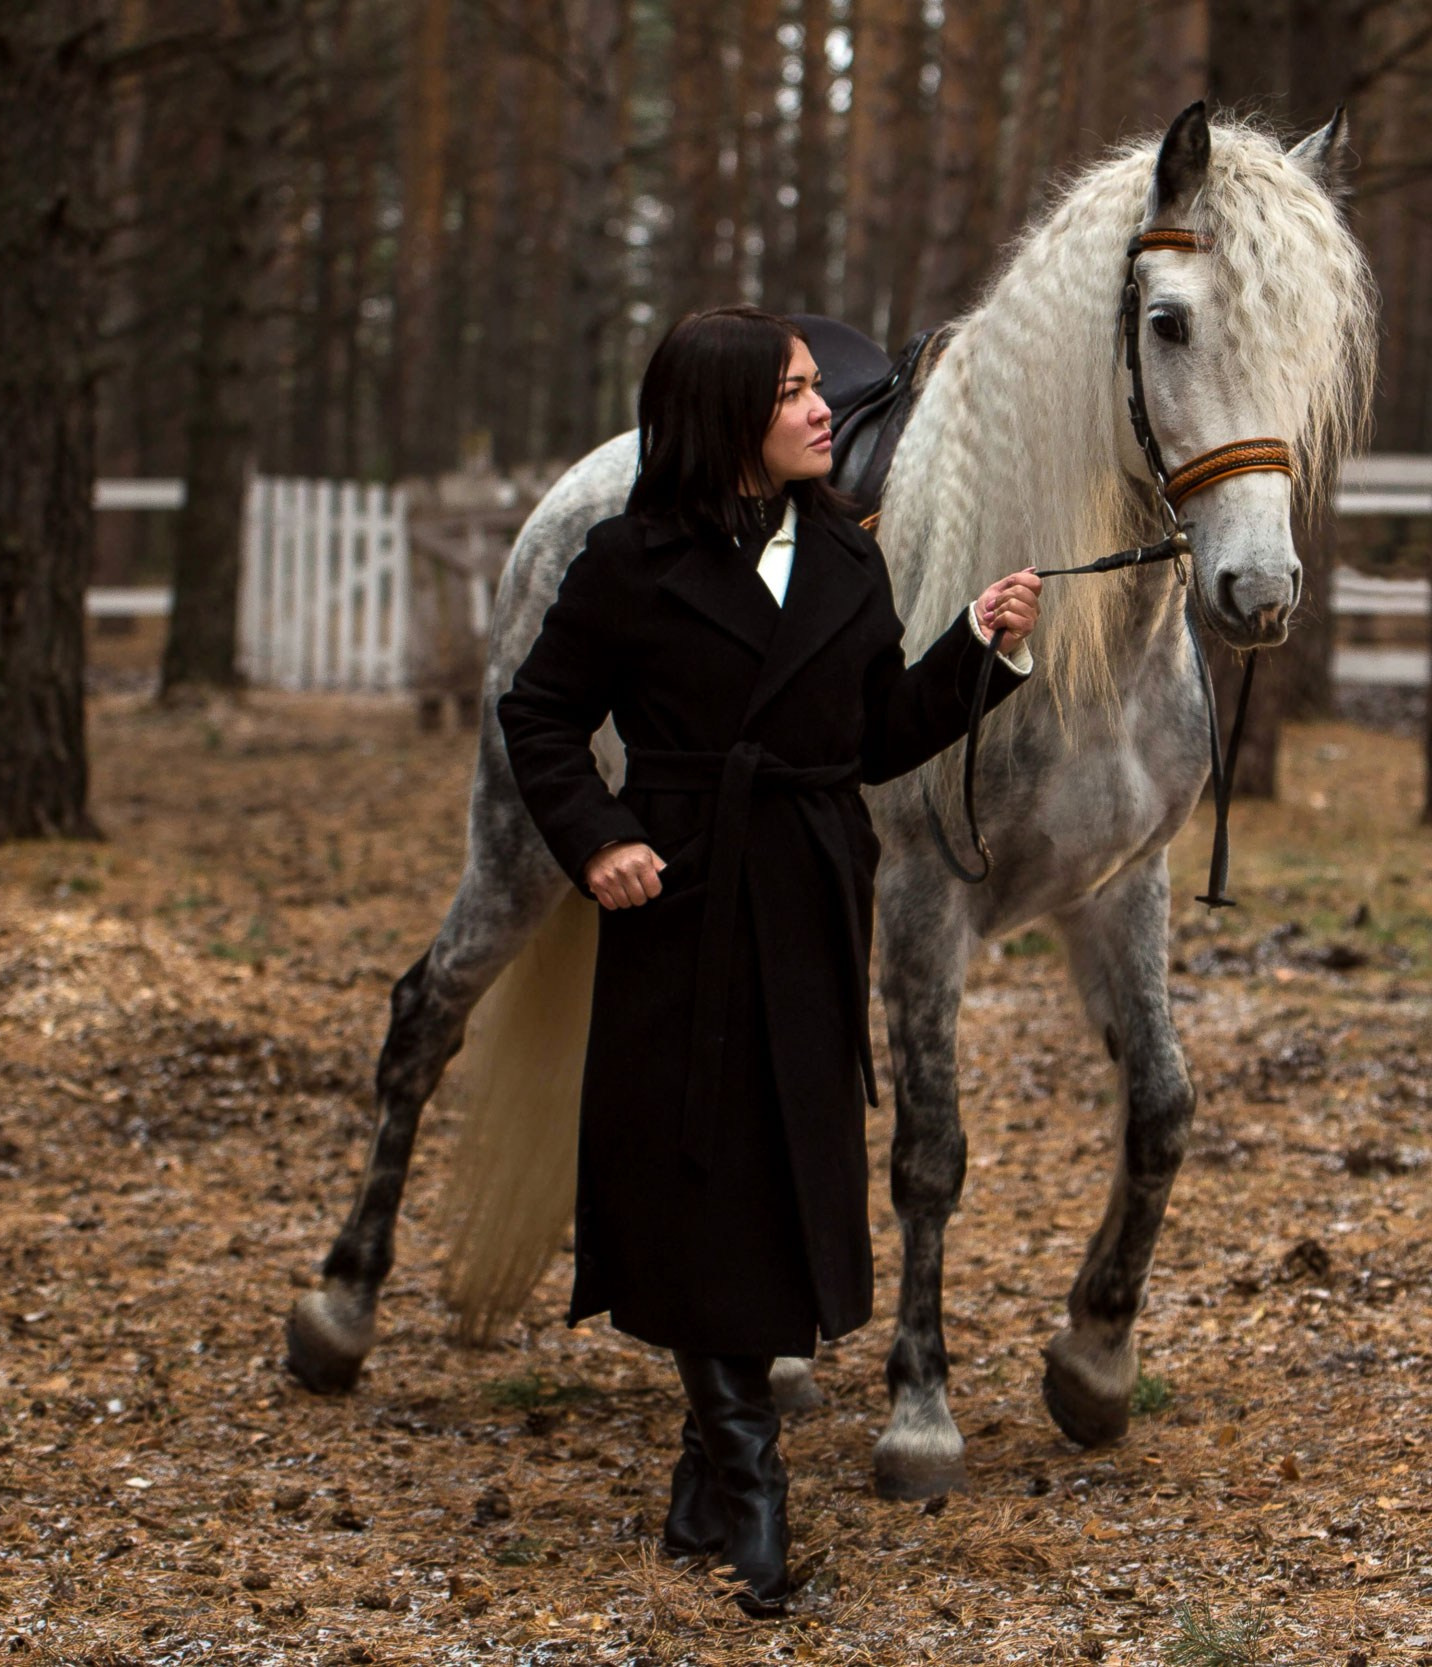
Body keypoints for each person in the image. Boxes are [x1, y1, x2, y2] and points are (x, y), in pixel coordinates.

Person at [496, 305, 1042, 1616]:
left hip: (806, 890)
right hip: (678, 890)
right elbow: (542, 711)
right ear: (725, 416)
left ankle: (704, 1470)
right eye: (794, 393)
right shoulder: (628, 562)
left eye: (819, 391)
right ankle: (749, 1480)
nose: (823, 412)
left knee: (783, 1165)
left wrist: (979, 647)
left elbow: (869, 736)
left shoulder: (849, 568)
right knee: (700, 1170)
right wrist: (598, 838)